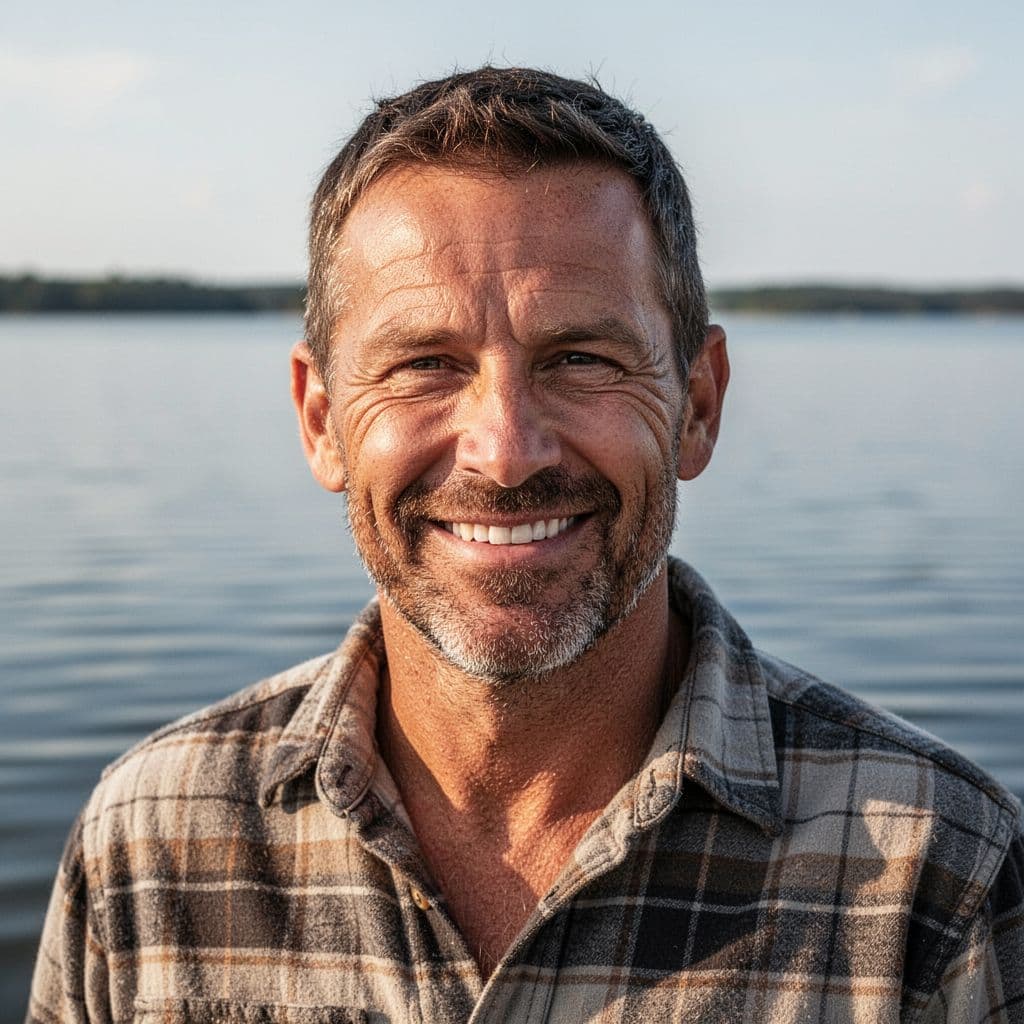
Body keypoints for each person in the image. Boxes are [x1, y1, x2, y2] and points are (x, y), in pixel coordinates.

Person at [27, 67, 1024, 1024]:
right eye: (424, 363)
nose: (504, 454)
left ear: (699, 405)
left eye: (581, 358)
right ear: (321, 420)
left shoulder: (937, 871)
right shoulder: (152, 845)